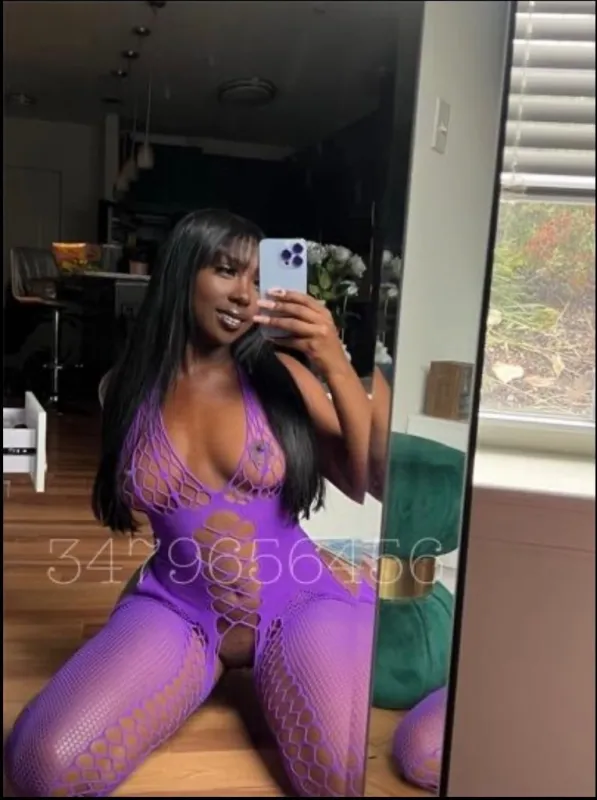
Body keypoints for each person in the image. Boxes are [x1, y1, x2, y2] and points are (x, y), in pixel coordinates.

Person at [4, 209, 376, 798]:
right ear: (182, 271)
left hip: (299, 598)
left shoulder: (281, 376)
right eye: (226, 270)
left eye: (257, 280)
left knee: (337, 778)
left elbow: (363, 482)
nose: (244, 295)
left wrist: (333, 360)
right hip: (178, 608)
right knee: (39, 765)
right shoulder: (122, 387)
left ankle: (359, 611)